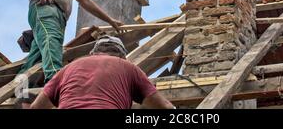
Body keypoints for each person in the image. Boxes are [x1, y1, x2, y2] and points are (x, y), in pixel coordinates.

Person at [30, 36, 175, 109]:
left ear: (92, 53)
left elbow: (36, 107)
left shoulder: (68, 68)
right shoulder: (127, 67)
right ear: (122, 56)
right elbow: (164, 106)